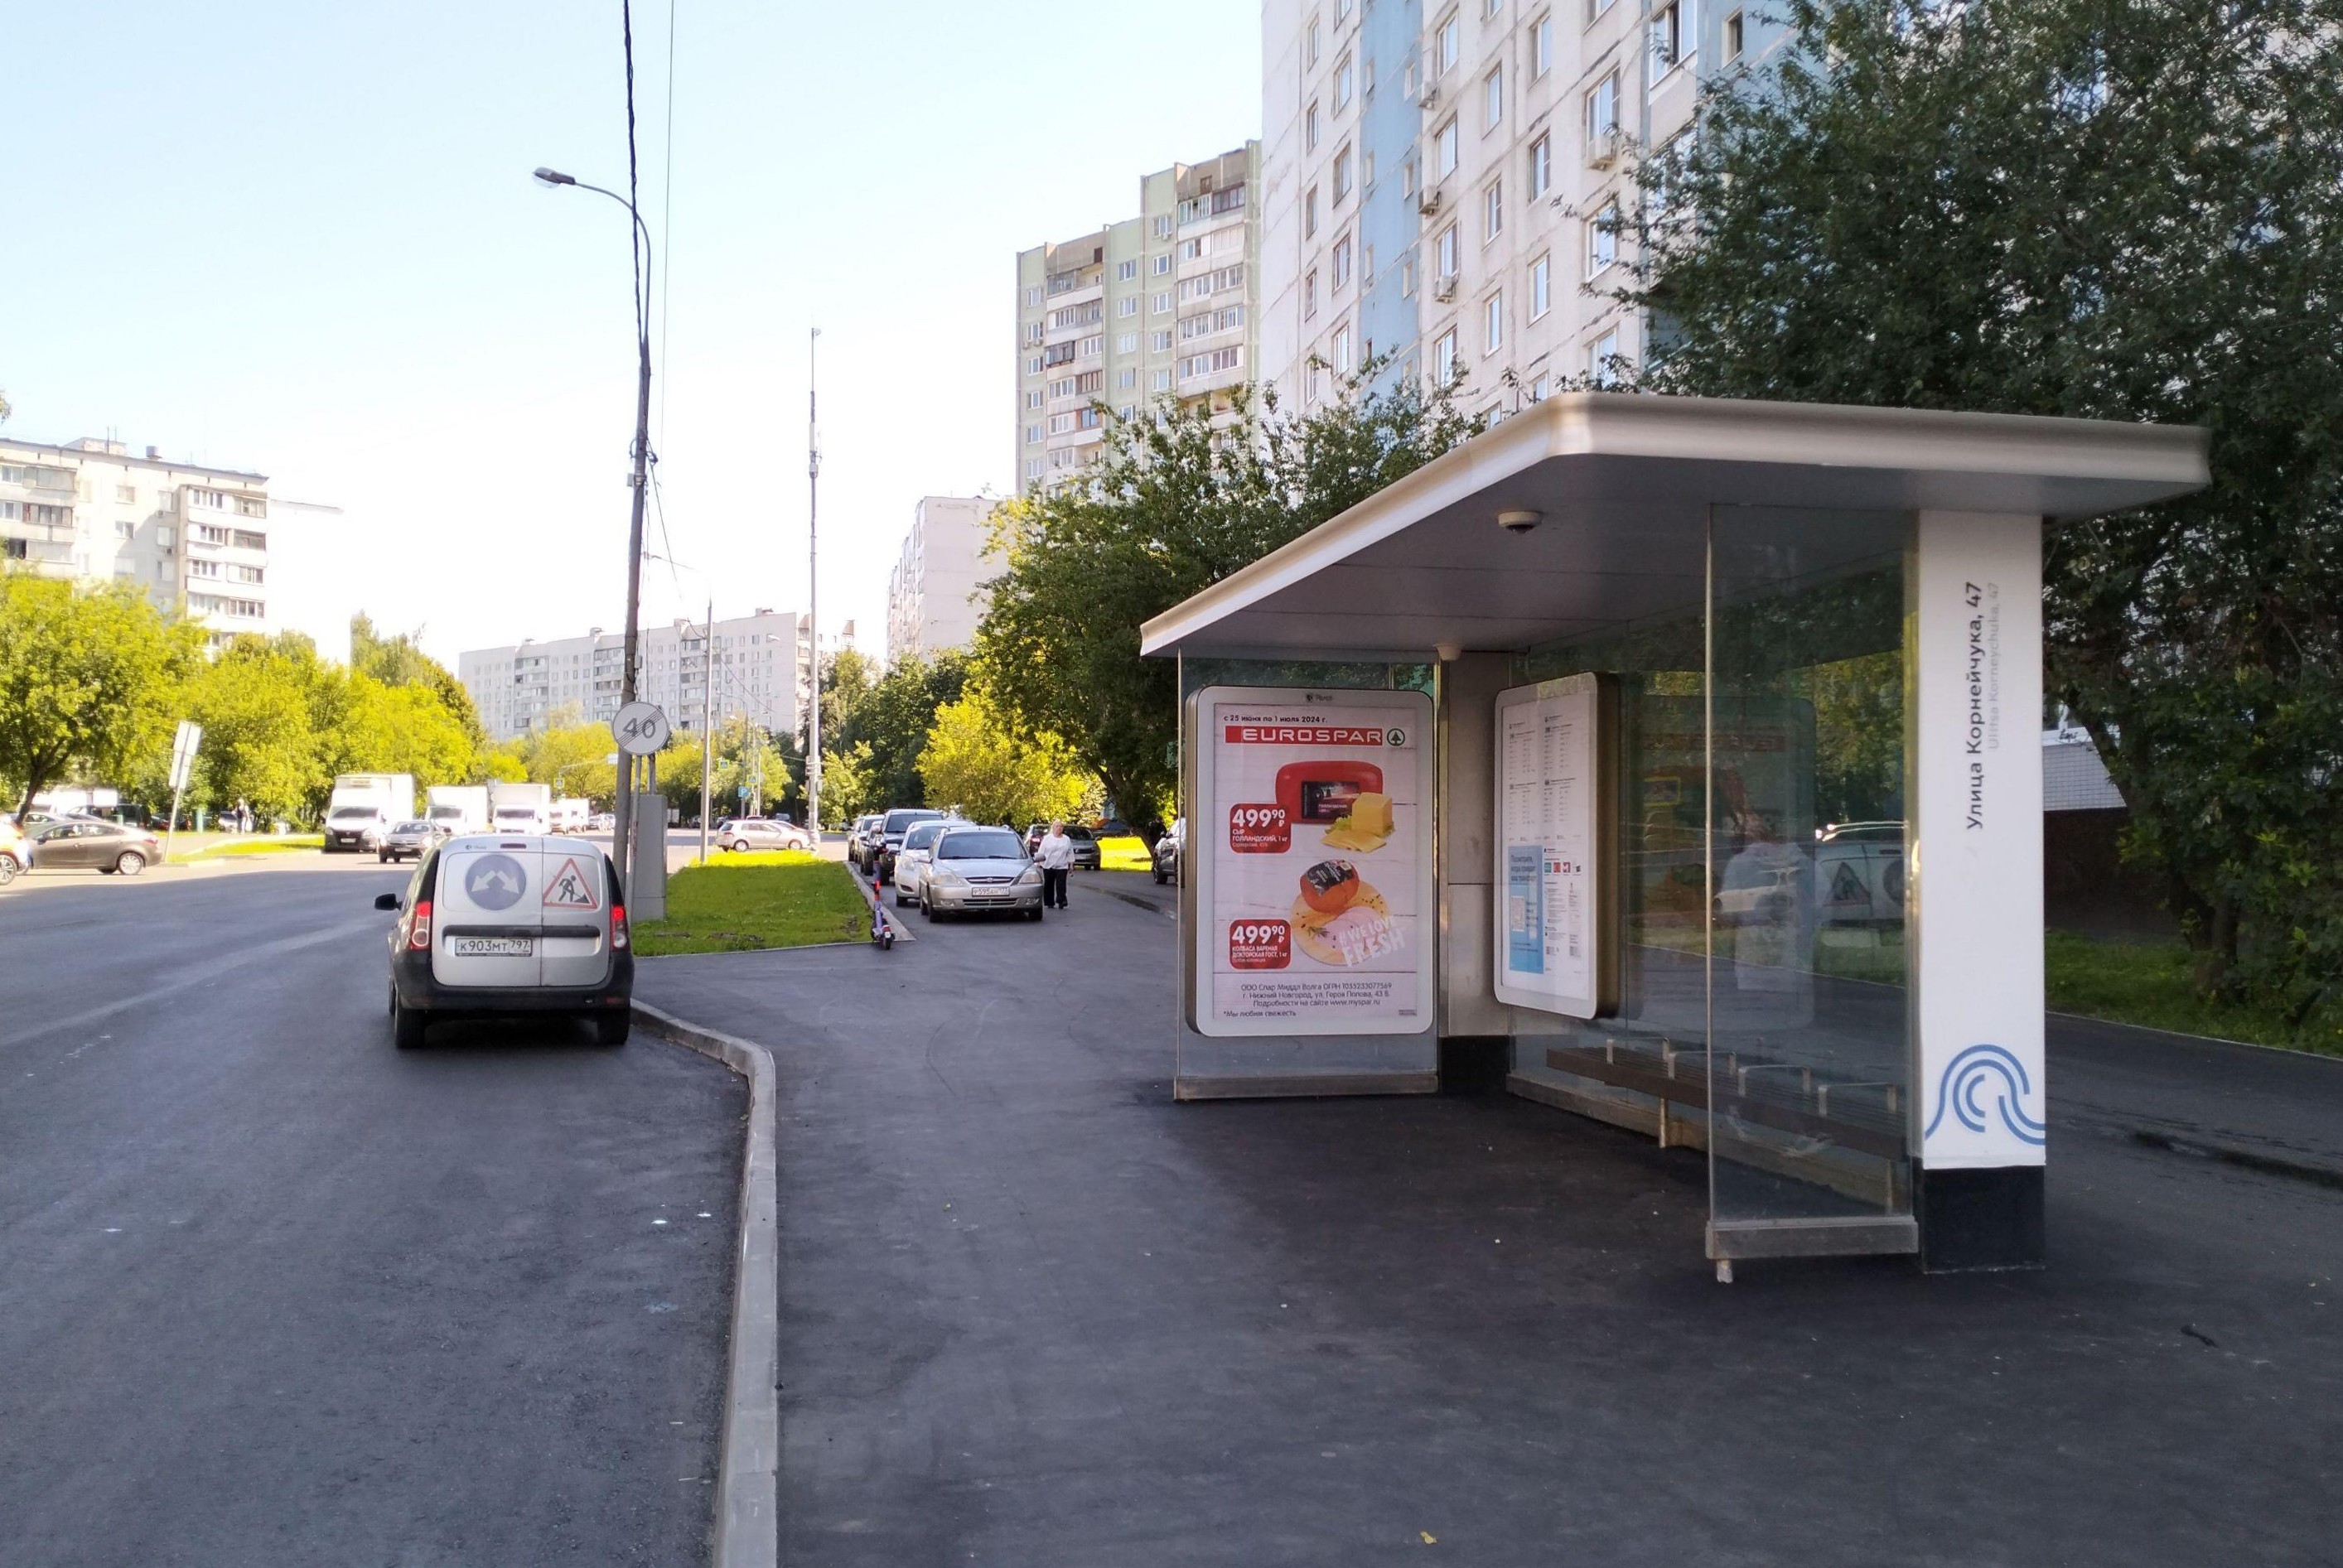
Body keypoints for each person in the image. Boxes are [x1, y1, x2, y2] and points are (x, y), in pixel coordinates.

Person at [1036, 818, 1074, 910]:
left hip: (1062, 866)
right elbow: (1041, 851)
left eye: (1061, 826)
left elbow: (1070, 852)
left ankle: (1061, 901)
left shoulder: (1066, 839)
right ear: (1053, 828)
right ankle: (1049, 902)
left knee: (1061, 885)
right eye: (1057, 826)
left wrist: (1071, 864)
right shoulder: (1047, 839)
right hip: (1048, 865)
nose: (1059, 828)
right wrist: (1038, 862)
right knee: (1048, 884)